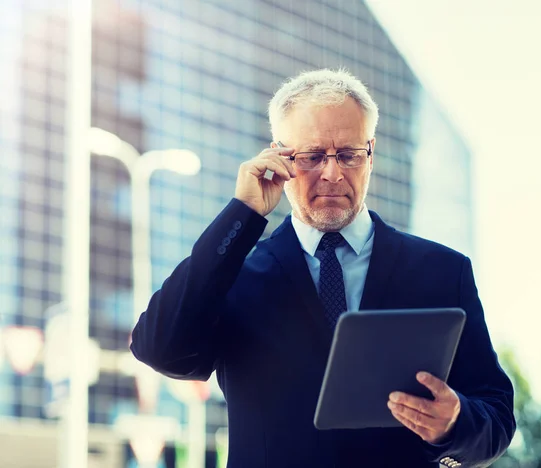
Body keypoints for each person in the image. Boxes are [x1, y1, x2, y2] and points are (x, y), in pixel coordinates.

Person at [131, 68, 515, 467]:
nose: (332, 174)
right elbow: (159, 348)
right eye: (313, 156)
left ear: (370, 154)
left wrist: (454, 422)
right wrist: (242, 214)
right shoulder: (235, 276)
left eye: (348, 155)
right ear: (278, 156)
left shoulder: (442, 271)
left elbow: (497, 418)